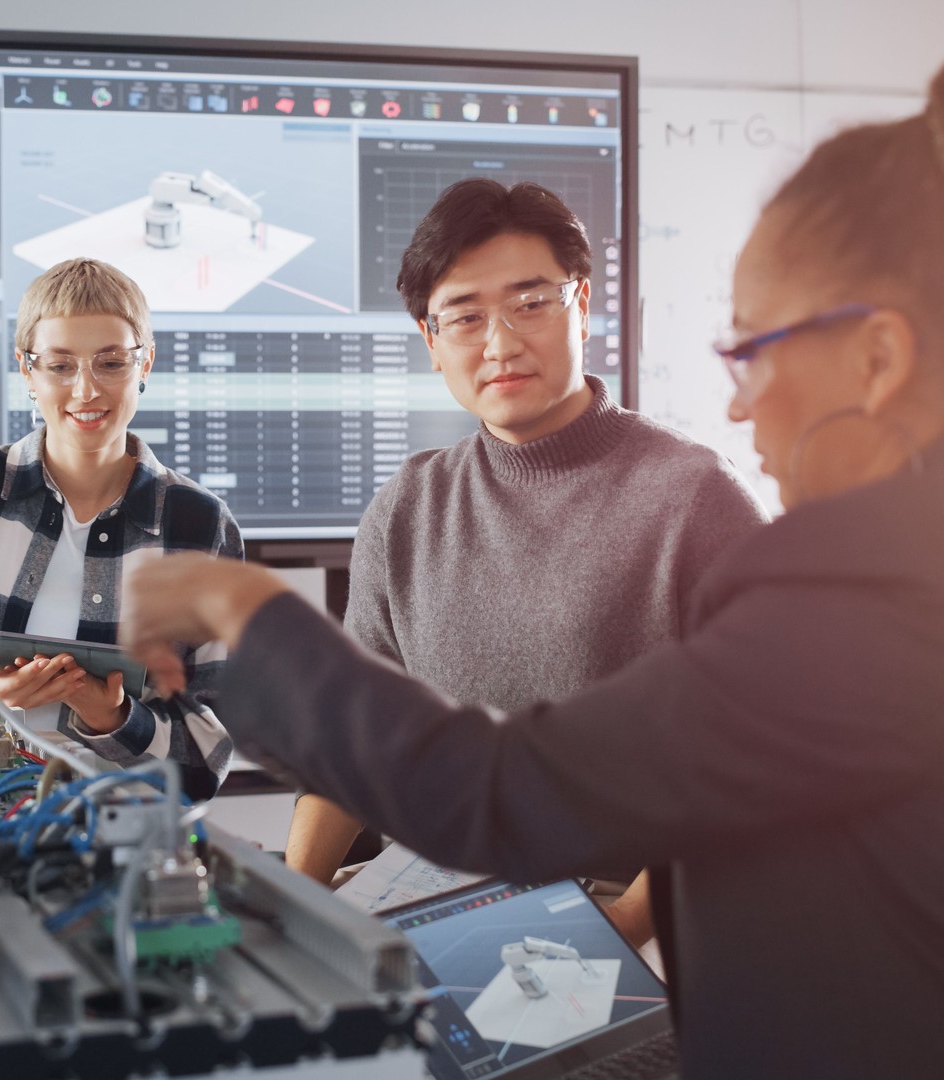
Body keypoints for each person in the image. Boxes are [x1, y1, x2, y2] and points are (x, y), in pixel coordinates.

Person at [120, 52, 944, 1077]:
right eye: (463, 316)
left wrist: (239, 603)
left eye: (752, 348)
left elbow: (510, 795)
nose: (740, 401)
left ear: (880, 357)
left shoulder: (877, 580)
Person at [285, 179, 766, 948]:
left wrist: (623, 930)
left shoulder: (694, 496)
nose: (501, 342)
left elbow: (753, 760)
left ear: (581, 303)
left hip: (631, 914)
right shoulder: (406, 507)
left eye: (530, 303)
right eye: (466, 316)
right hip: (434, 897)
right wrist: (287, 903)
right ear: (430, 339)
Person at [0, 257, 241, 800]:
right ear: (27, 371)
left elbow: (209, 754)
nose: (86, 391)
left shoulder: (199, 527)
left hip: (130, 841)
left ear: (146, 364)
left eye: (111, 363)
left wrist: (112, 717)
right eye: (61, 366)